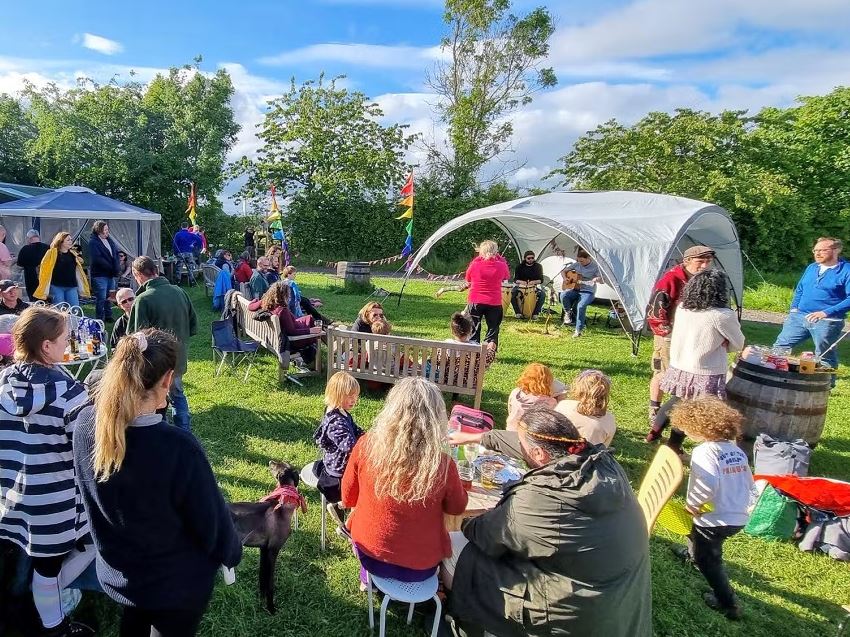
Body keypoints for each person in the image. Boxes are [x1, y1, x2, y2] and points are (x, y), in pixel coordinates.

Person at [73, 329, 242, 636]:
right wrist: (232, 552)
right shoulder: (178, 448)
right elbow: (213, 525)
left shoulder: (85, 426)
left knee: (134, 621)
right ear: (167, 380)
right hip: (173, 585)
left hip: (121, 574)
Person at [444, 408, 651, 637]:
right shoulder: (601, 462)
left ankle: (470, 621)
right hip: (621, 601)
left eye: (524, 447)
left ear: (539, 454)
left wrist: (465, 522)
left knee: (453, 547)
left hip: (575, 615)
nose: (520, 448)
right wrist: (479, 437)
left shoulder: (540, 498)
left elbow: (485, 534)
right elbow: (530, 445)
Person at [0, 307, 95, 637]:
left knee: (31, 562)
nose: (67, 344)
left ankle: (32, 610)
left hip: (12, 497)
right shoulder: (71, 394)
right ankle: (55, 627)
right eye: (64, 339)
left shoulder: (3, 383)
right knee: (51, 568)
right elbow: (87, 453)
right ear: (45, 346)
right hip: (56, 503)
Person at [341, 377, 468, 586]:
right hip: (422, 567)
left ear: (391, 411)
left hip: (370, 552)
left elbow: (347, 496)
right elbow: (457, 507)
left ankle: (367, 577)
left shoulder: (366, 446)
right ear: (436, 418)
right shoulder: (442, 464)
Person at [669, 398, 754, 621]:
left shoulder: (704, 452)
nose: (685, 432)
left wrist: (693, 503)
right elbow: (745, 479)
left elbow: (707, 483)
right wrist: (688, 459)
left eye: (687, 428)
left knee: (709, 559)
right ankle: (691, 553)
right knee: (697, 533)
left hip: (715, 517)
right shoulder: (735, 450)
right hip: (737, 514)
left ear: (699, 428)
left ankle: (728, 602)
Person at [646, 269, 746, 453]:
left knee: (679, 400)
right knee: (695, 409)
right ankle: (674, 445)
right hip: (705, 369)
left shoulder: (684, 308)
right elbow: (738, 342)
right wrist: (724, 344)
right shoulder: (722, 315)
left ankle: (655, 431)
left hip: (681, 364)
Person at [646, 245, 715, 430]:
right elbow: (655, 311)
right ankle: (655, 410)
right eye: (700, 261)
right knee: (663, 373)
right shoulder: (671, 279)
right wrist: (666, 333)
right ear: (687, 261)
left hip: (693, 336)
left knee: (688, 374)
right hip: (669, 335)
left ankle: (682, 413)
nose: (705, 265)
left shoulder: (707, 279)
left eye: (708, 261)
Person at [128, 256, 198, 432]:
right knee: (177, 394)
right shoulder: (179, 291)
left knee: (154, 397)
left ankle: (161, 430)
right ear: (155, 271)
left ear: (138, 275)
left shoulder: (143, 299)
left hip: (154, 362)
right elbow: (194, 325)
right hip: (178, 356)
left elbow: (136, 337)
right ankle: (184, 431)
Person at [773, 237, 849, 380]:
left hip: (827, 320)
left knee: (825, 354)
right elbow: (800, 288)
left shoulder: (846, 271)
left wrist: (825, 312)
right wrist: (794, 308)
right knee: (780, 346)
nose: (817, 253)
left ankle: (826, 384)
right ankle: (773, 375)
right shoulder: (812, 267)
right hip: (799, 316)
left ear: (837, 250)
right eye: (815, 250)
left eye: (822, 250)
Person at [313, 371, 364, 527]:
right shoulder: (335, 422)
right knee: (362, 482)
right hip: (339, 468)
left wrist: (367, 436)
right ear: (336, 395)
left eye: (355, 396)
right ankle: (340, 506)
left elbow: (356, 430)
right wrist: (365, 448)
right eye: (349, 396)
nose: (354, 400)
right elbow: (349, 446)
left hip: (341, 463)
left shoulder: (343, 413)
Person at [248, 282, 322, 366]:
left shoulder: (266, 303)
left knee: (311, 320)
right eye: (288, 294)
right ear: (283, 295)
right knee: (320, 328)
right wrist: (310, 330)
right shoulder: (282, 310)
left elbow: (251, 306)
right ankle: (333, 354)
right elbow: (292, 332)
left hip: (282, 332)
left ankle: (334, 351)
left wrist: (256, 300)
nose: (289, 296)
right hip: (295, 339)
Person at [465, 240, 510, 346]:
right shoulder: (501, 265)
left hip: (476, 300)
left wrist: (479, 258)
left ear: (481, 252)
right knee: (493, 328)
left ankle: (473, 348)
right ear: (496, 252)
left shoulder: (475, 264)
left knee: (474, 327)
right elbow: (506, 276)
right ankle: (490, 350)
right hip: (494, 301)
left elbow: (468, 278)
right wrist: (500, 258)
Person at [556, 369, 617, 446]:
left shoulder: (564, 406)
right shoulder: (609, 419)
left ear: (578, 389)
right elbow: (604, 448)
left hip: (558, 454)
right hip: (590, 457)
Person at [35, 232, 91, 306]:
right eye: (68, 240)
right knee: (59, 309)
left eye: (71, 240)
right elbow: (44, 268)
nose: (71, 242)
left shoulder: (73, 254)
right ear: (61, 242)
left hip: (71, 286)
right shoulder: (52, 253)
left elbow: (79, 267)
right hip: (57, 286)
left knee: (75, 309)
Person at [560, 248, 603, 338]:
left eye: (582, 261)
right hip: (576, 289)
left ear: (588, 258)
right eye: (579, 261)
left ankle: (578, 330)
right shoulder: (577, 264)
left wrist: (597, 279)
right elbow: (564, 271)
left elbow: (601, 280)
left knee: (581, 306)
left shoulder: (595, 267)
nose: (580, 263)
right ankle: (568, 313)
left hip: (588, 291)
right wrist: (565, 278)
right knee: (563, 295)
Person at [506, 362, 557, 431]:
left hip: (511, 430)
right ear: (548, 382)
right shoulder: (550, 402)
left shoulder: (515, 392)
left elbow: (510, 410)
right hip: (532, 438)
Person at [87, 220, 121, 323]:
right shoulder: (93, 242)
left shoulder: (109, 240)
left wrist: (116, 266)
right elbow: (97, 258)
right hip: (100, 274)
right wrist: (111, 267)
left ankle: (108, 316)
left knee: (110, 296)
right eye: (105, 229)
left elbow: (115, 254)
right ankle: (99, 318)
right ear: (99, 230)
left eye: (107, 229)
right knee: (101, 297)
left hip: (110, 274)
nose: (107, 231)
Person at [16, 229, 50, 300]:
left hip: (31, 279)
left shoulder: (25, 249)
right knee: (47, 301)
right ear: (39, 237)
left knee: (33, 301)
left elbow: (19, 265)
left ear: (29, 239)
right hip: (46, 279)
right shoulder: (48, 248)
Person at [510, 250, 544, 319]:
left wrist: (534, 282)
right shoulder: (519, 267)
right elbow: (515, 279)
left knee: (542, 294)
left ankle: (535, 313)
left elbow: (541, 280)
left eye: (532, 258)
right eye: (529, 258)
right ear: (525, 259)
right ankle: (518, 313)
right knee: (513, 293)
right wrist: (522, 282)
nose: (531, 260)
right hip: (520, 287)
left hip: (533, 287)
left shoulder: (538, 266)